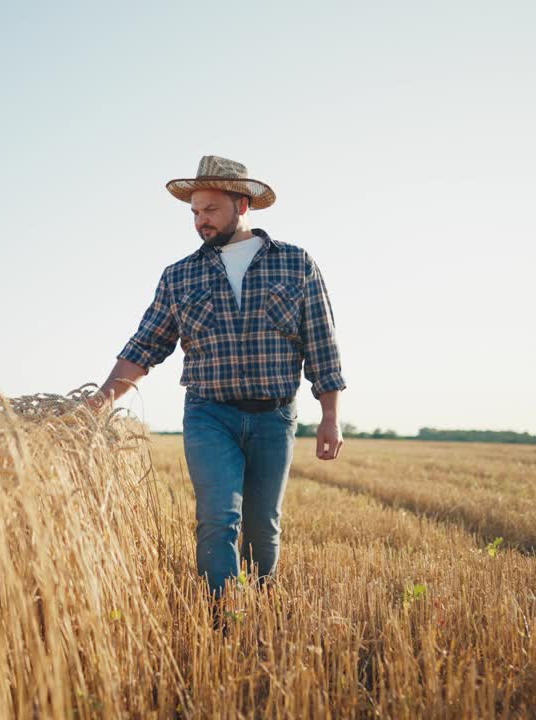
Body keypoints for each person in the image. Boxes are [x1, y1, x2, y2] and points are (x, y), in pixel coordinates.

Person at [85, 155, 346, 600]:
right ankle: (224, 617)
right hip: (209, 415)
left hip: (274, 416)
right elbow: (145, 346)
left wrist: (330, 415)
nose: (199, 221)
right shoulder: (180, 276)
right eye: (194, 212)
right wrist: (101, 400)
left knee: (263, 525)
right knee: (217, 518)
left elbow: (321, 342)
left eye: (209, 210)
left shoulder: (296, 264)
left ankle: (259, 606)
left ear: (241, 205)